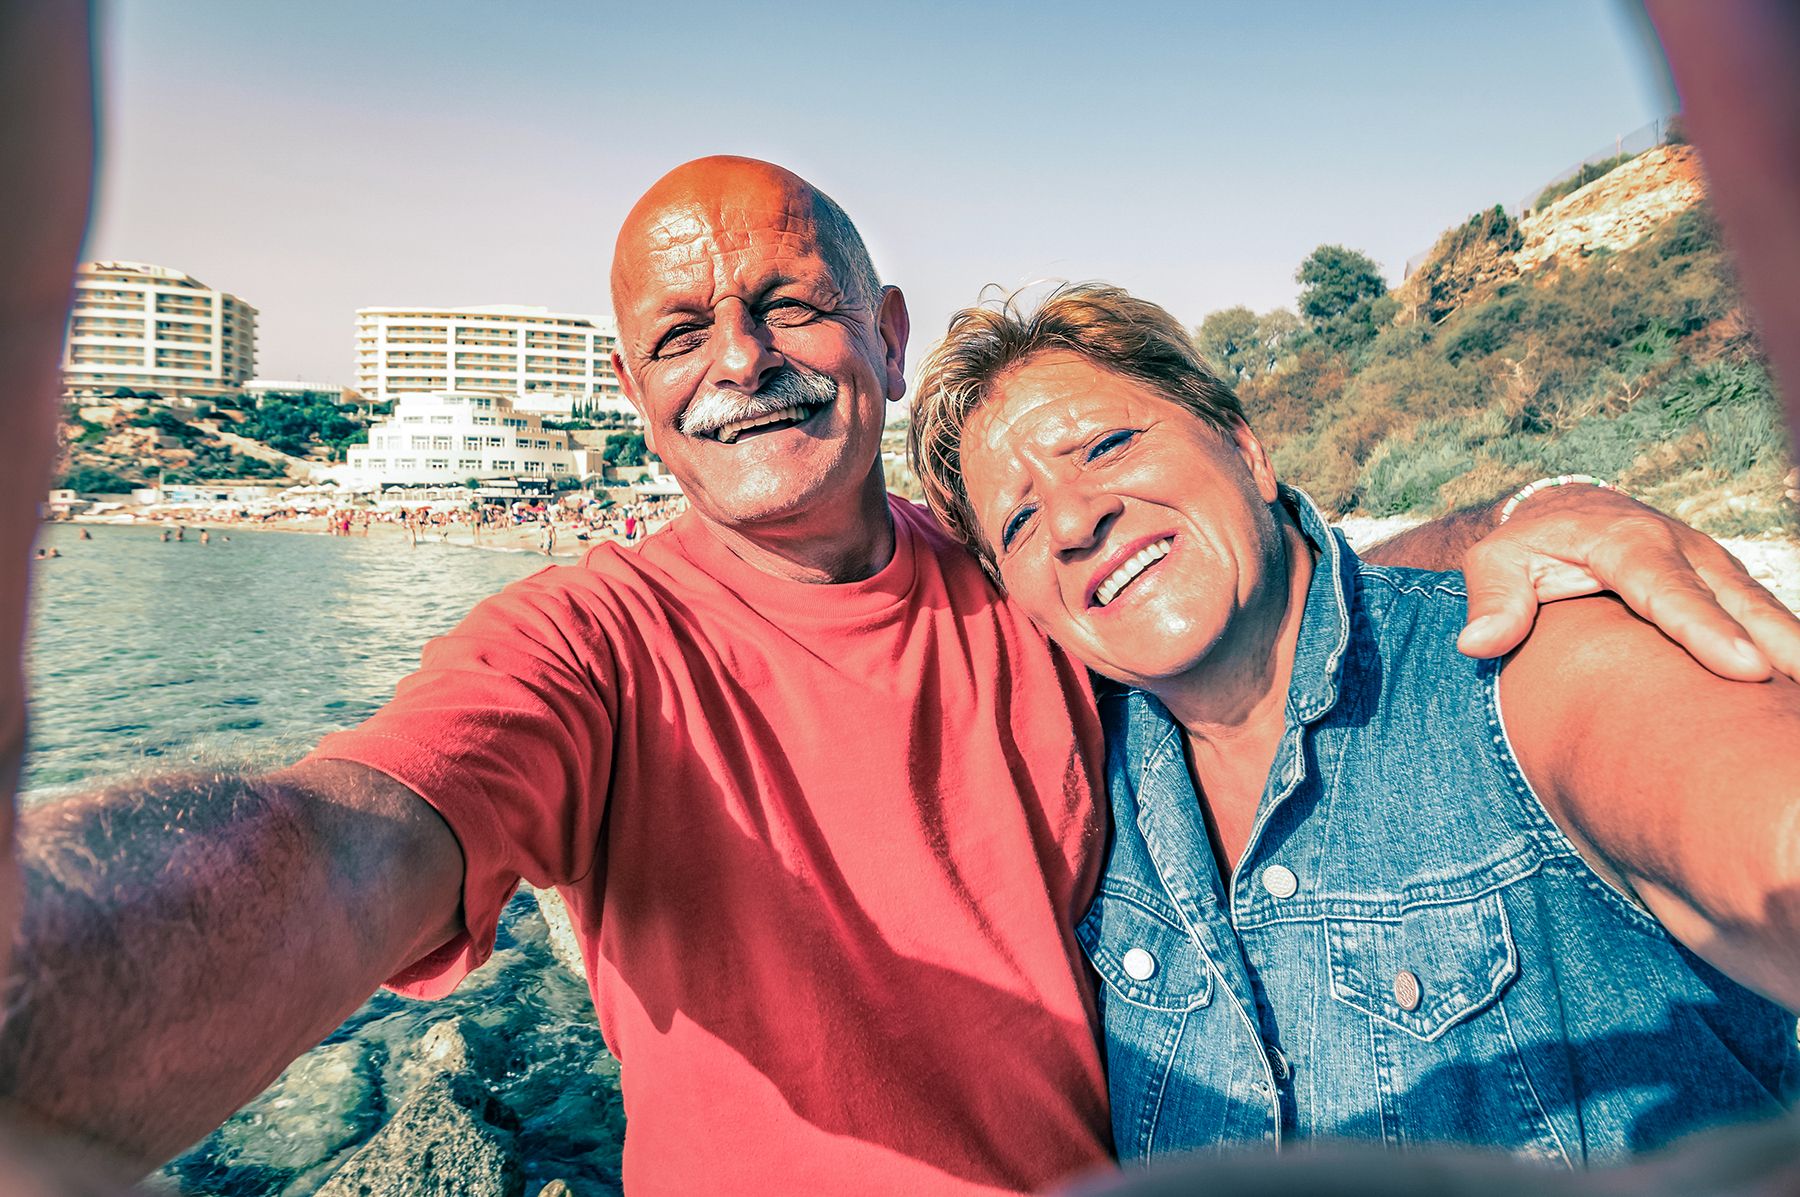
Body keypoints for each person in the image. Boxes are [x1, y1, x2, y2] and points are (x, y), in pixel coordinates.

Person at [3, 157, 1798, 1197]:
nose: (744, 366)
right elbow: (339, 844)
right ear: (637, 393)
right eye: (681, 335)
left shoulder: (1019, 588)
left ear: (881, 337)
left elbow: (1217, 589)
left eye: (789, 306)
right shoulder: (588, 645)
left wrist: (1496, 522)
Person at [909, 282, 1800, 1168]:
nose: (1072, 517)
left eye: (1107, 444)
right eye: (1019, 520)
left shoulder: (1524, 660)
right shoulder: (1086, 802)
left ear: (1247, 452)